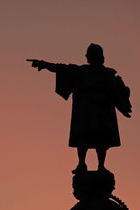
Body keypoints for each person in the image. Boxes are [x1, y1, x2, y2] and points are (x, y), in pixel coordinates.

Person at [27, 43, 132, 174]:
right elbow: (62, 68)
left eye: (89, 54)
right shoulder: (81, 71)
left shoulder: (108, 74)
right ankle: (82, 163)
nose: (86, 56)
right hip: (85, 111)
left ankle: (101, 166)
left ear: (96, 56)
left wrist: (123, 105)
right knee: (83, 137)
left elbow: (117, 93)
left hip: (101, 111)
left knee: (101, 139)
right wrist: (43, 63)